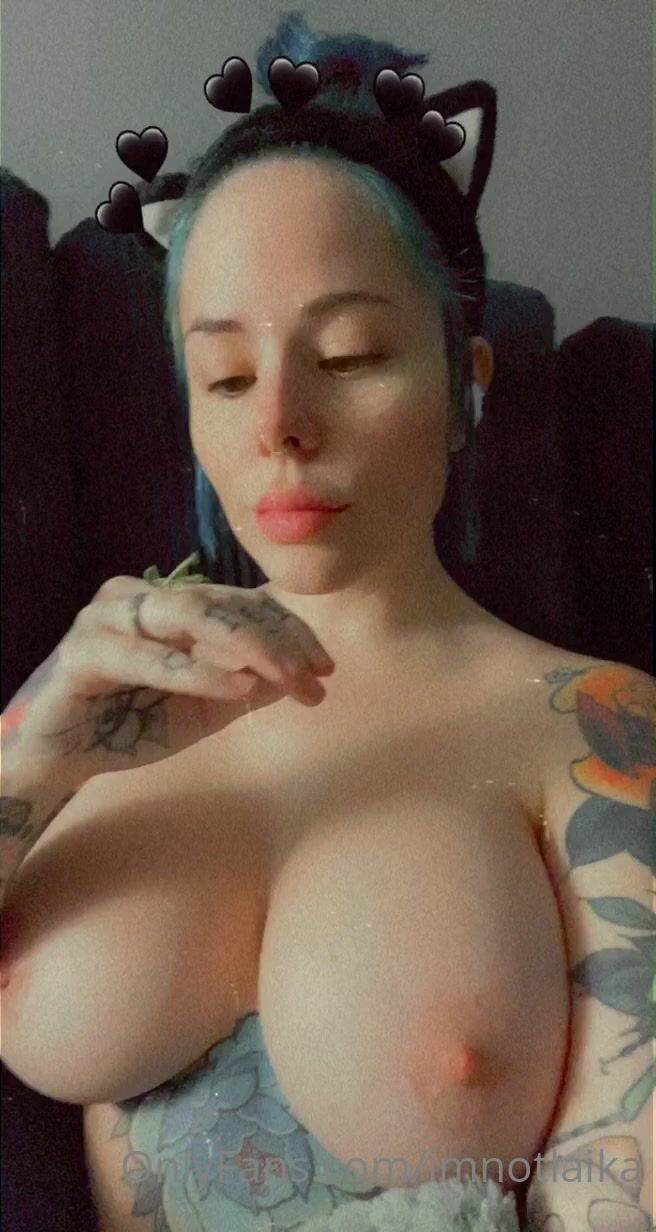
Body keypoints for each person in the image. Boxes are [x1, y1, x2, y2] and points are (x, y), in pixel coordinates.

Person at [5, 12, 631, 1232]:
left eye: (345, 355)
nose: (278, 423)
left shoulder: (590, 725)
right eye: (226, 376)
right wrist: (34, 752)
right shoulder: (100, 702)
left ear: (463, 385)